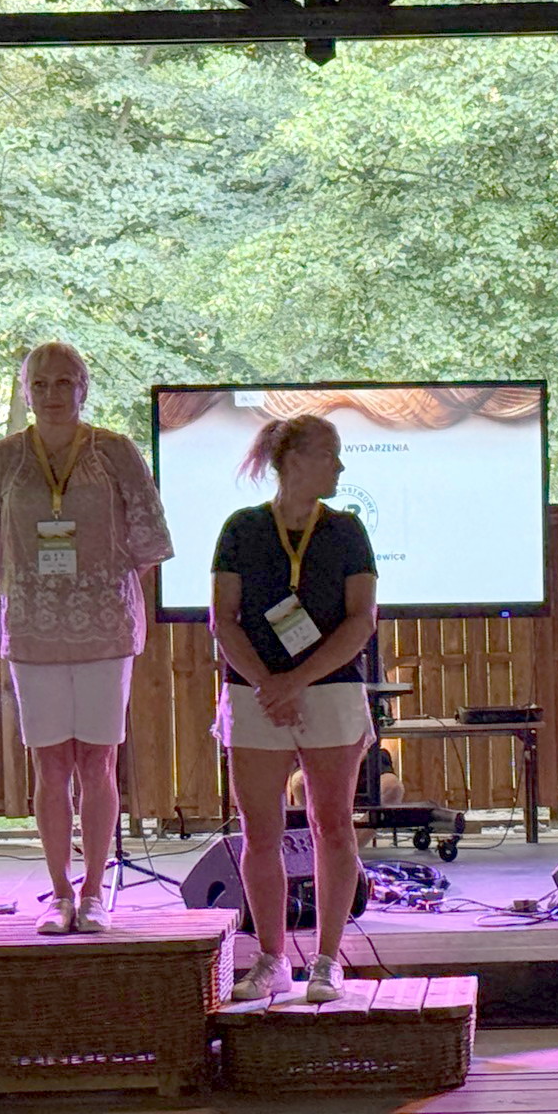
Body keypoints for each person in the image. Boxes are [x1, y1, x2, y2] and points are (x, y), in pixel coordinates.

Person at [0, 342, 173, 934]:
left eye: (64, 382)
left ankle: (95, 891)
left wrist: (98, 587)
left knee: (98, 762)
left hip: (105, 632)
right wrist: (28, 590)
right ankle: (58, 893)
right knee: (50, 764)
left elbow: (149, 543)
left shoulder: (116, 451)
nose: (52, 394)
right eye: (40, 383)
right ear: (25, 391)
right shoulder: (1, 458)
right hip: (33, 634)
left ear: (84, 388)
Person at [211, 414, 378, 1003]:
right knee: (260, 832)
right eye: (330, 454)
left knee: (332, 825)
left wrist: (296, 680)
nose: (340, 466)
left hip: (330, 692)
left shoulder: (348, 530)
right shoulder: (242, 528)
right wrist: (267, 684)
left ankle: (328, 961)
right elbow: (223, 620)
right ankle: (272, 958)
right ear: (295, 461)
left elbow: (361, 620)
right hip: (253, 692)